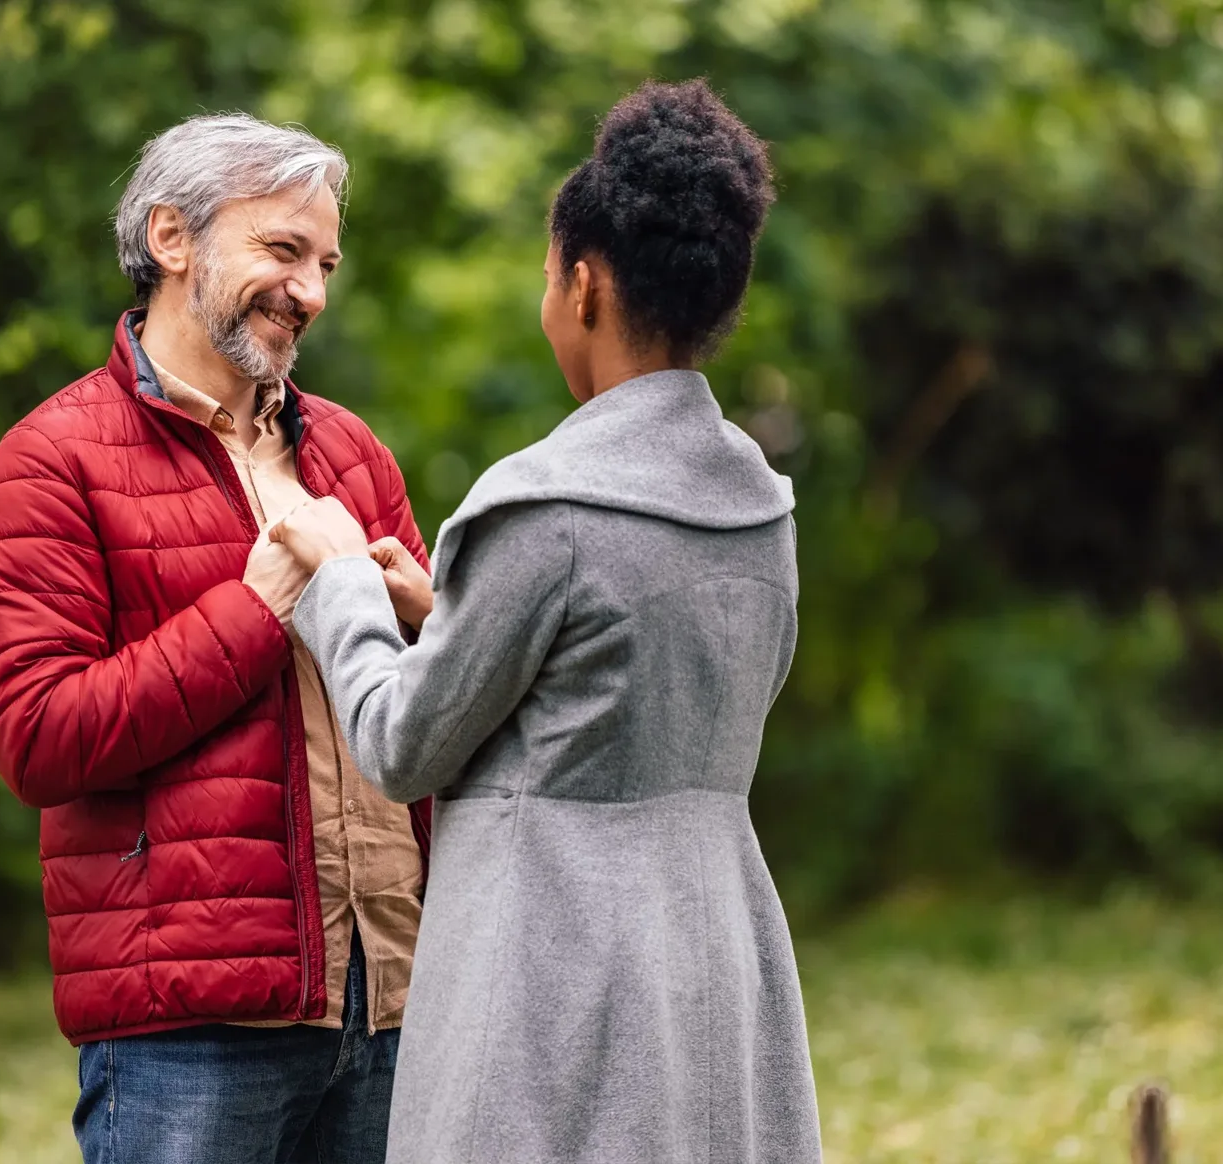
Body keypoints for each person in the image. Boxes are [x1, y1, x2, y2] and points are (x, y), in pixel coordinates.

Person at [271, 80, 823, 1163]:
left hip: (554, 976)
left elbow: (401, 744)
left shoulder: (549, 506)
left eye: (543, 278)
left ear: (582, 284)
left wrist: (337, 582)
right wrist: (454, 617)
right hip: (715, 952)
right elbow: (630, 680)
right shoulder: (760, 507)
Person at [0, 113, 434, 1163]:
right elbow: (38, 737)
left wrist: (438, 623)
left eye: (324, 263)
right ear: (172, 239)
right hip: (191, 1027)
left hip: (398, 999)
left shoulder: (353, 453)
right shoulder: (53, 460)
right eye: (282, 250)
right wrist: (261, 599)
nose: (310, 291)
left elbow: (428, 717)